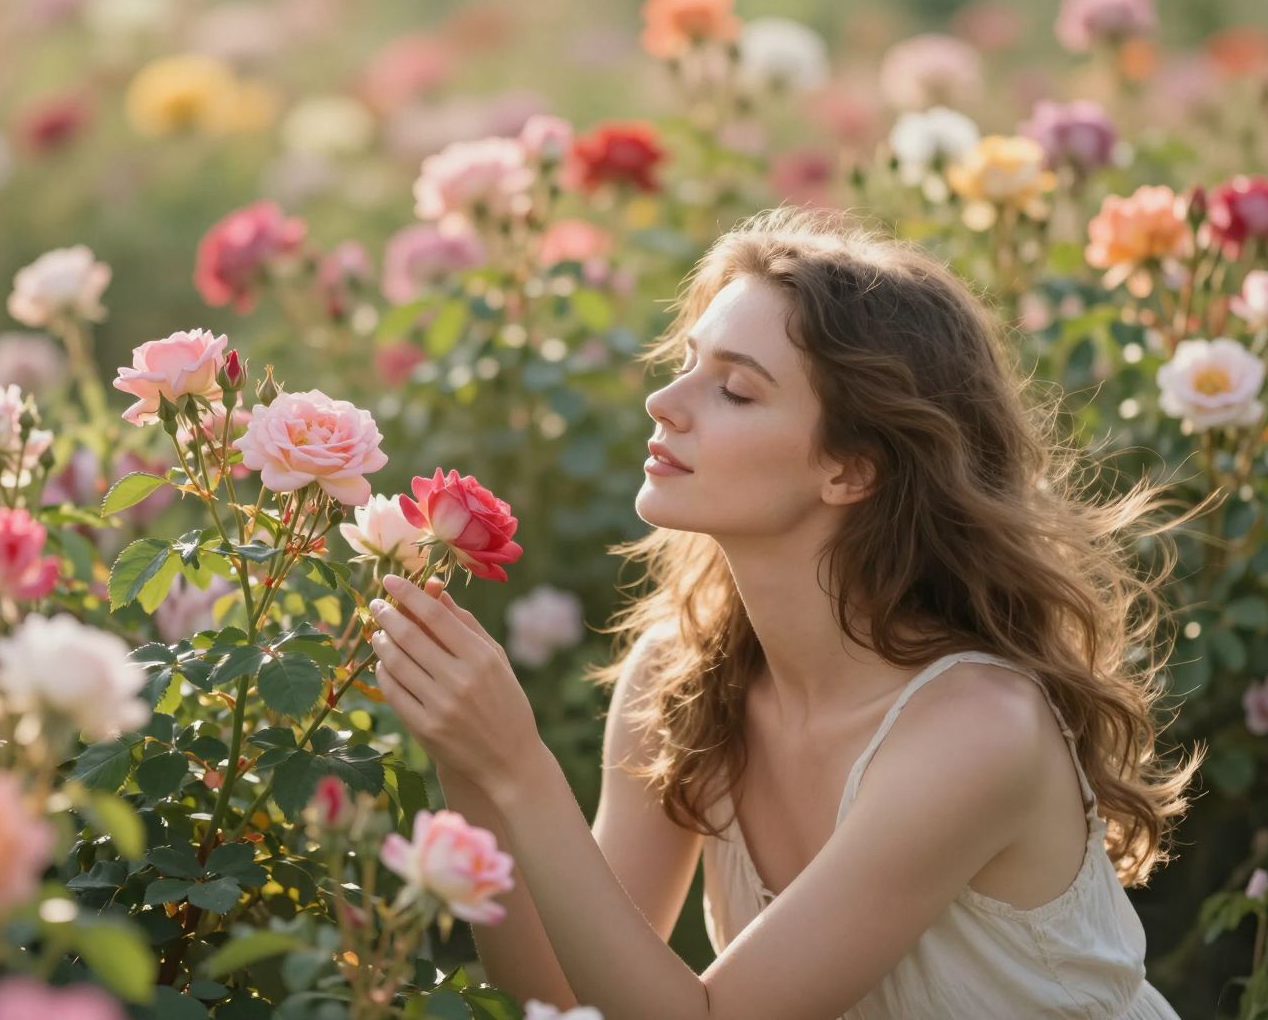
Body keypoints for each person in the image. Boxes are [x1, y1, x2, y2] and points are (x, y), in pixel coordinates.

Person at [366, 206, 1206, 1019]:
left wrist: (522, 768)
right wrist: (472, 764)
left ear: (850, 471)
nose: (665, 400)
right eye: (688, 361)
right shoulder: (680, 675)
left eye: (733, 389)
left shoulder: (976, 730)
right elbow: (557, 1000)